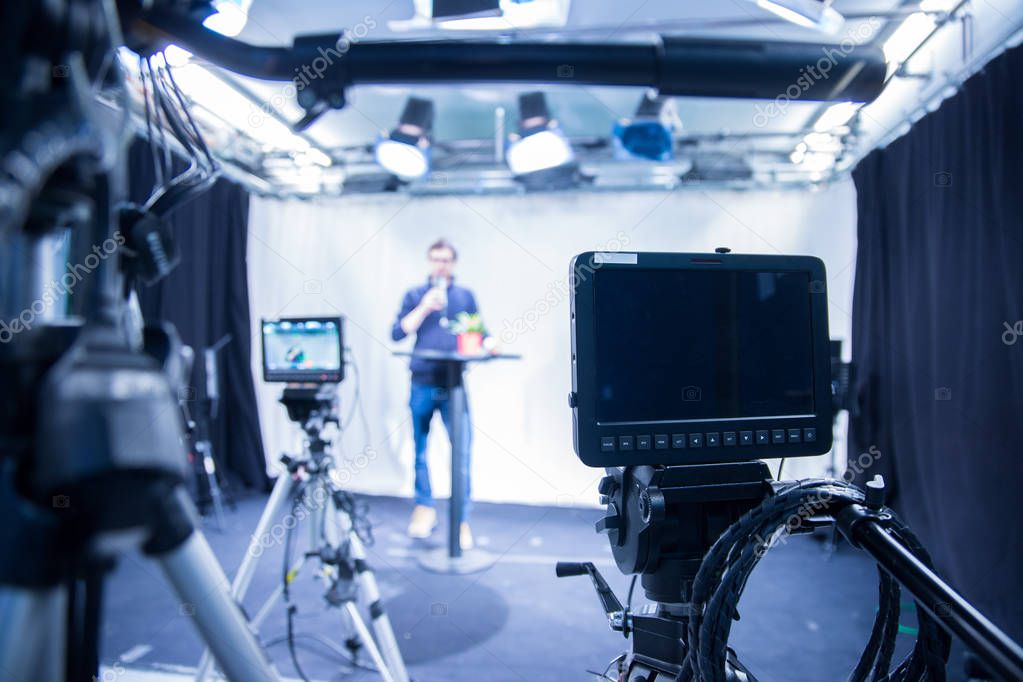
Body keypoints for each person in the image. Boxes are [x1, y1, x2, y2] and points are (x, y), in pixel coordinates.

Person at [391, 238, 490, 548]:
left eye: (446, 259)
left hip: (454, 386)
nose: (440, 264)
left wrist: (490, 342)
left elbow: (478, 332)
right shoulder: (415, 294)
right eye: (435, 259)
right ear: (429, 261)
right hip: (421, 381)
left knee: (461, 453)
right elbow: (396, 333)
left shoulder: (464, 296)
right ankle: (424, 509)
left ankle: (460, 520)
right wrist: (424, 307)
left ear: (453, 263)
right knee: (419, 449)